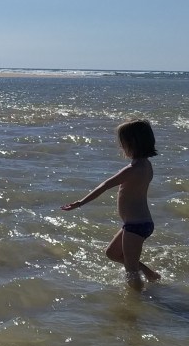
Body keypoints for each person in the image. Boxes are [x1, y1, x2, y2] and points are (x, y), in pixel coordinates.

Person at [61, 119, 160, 289]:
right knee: (112, 253)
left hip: (135, 226)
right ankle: (150, 274)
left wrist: (80, 202)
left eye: (122, 143)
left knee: (131, 271)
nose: (121, 147)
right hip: (140, 223)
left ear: (131, 143)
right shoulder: (146, 165)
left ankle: (138, 299)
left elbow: (105, 185)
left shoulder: (132, 170)